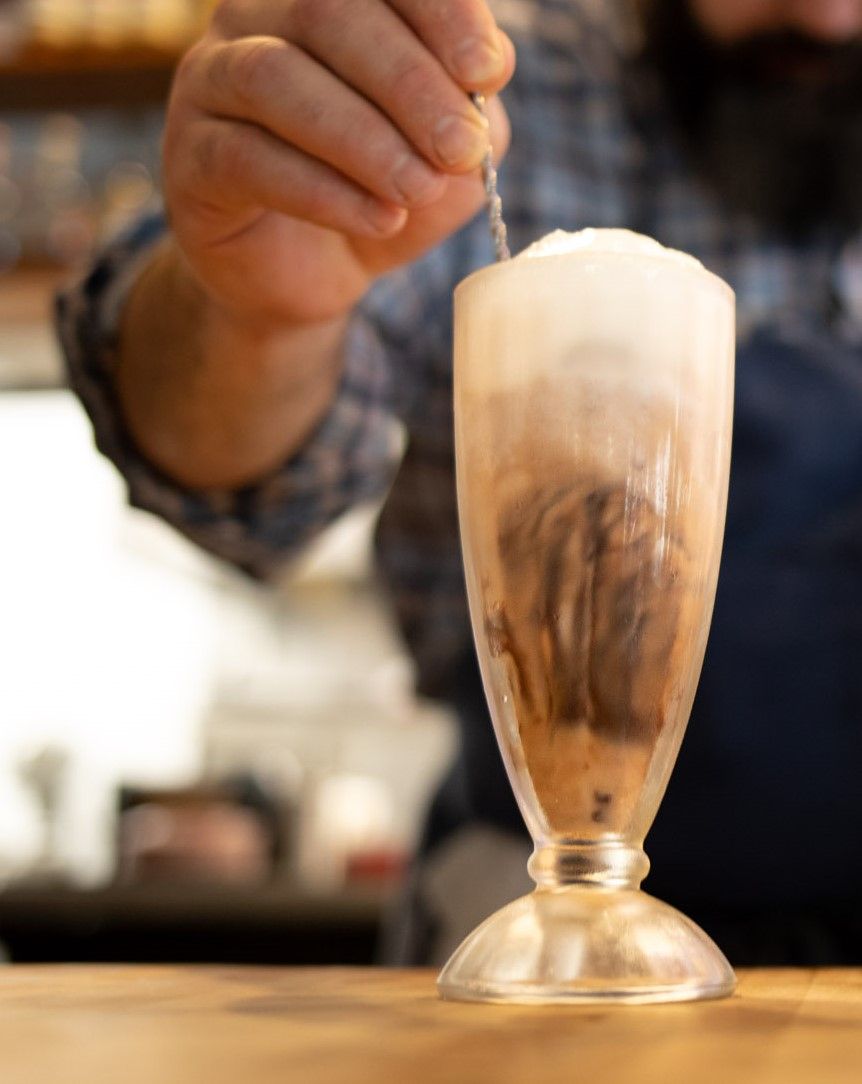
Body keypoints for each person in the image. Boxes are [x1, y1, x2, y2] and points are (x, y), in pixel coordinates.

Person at [58, 0, 862, 966]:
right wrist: (256, 315)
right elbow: (255, 492)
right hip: (530, 928)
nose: (819, 13)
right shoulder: (488, 103)